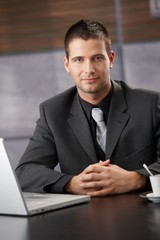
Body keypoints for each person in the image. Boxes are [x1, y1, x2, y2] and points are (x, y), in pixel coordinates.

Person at [16, 19, 160, 197]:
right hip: (82, 220)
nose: (89, 69)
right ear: (67, 64)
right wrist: (71, 183)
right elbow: (25, 172)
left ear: (111, 59)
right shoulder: (53, 112)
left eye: (97, 58)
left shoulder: (150, 104)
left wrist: (136, 179)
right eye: (78, 60)